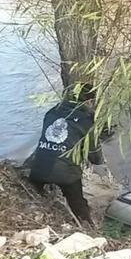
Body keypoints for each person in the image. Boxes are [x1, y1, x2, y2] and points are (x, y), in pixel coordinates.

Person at [28, 83, 109, 225]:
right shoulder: (86, 120)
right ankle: (87, 226)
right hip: (66, 175)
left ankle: (38, 198)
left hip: (38, 169)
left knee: (36, 188)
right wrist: (98, 163)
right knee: (79, 205)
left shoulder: (52, 112)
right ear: (88, 102)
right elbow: (93, 152)